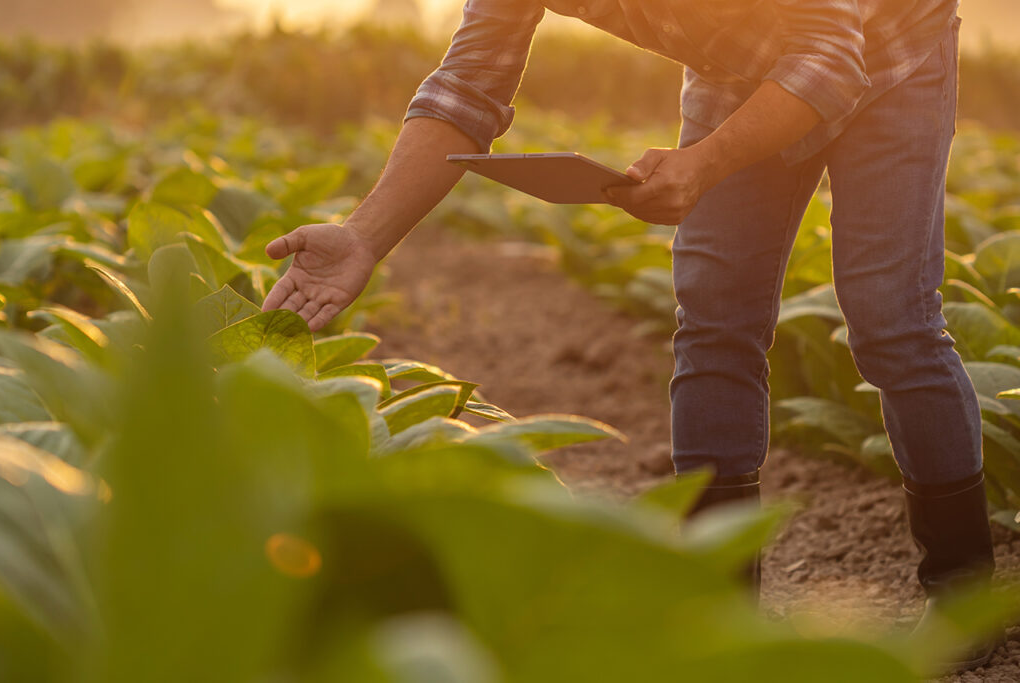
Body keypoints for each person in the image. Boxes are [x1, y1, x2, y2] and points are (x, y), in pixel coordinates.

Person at [262, 0, 998, 671]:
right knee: (714, 317)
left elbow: (830, 58)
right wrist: (363, 235)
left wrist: (703, 163)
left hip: (893, 50)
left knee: (890, 319)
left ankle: (966, 595)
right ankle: (717, 610)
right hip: (740, 70)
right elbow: (466, 88)